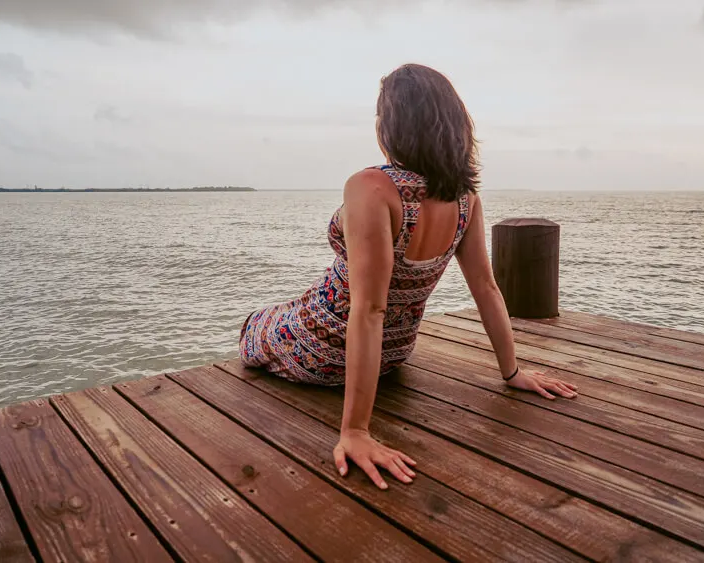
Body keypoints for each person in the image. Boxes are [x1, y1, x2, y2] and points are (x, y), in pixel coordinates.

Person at [239, 63, 578, 490]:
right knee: (290, 308)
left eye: (381, 115)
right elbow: (487, 288)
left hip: (326, 345)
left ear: (393, 124)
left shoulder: (371, 187)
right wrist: (512, 372)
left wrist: (356, 431)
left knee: (253, 324)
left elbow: (369, 307)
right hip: (392, 355)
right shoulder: (464, 198)